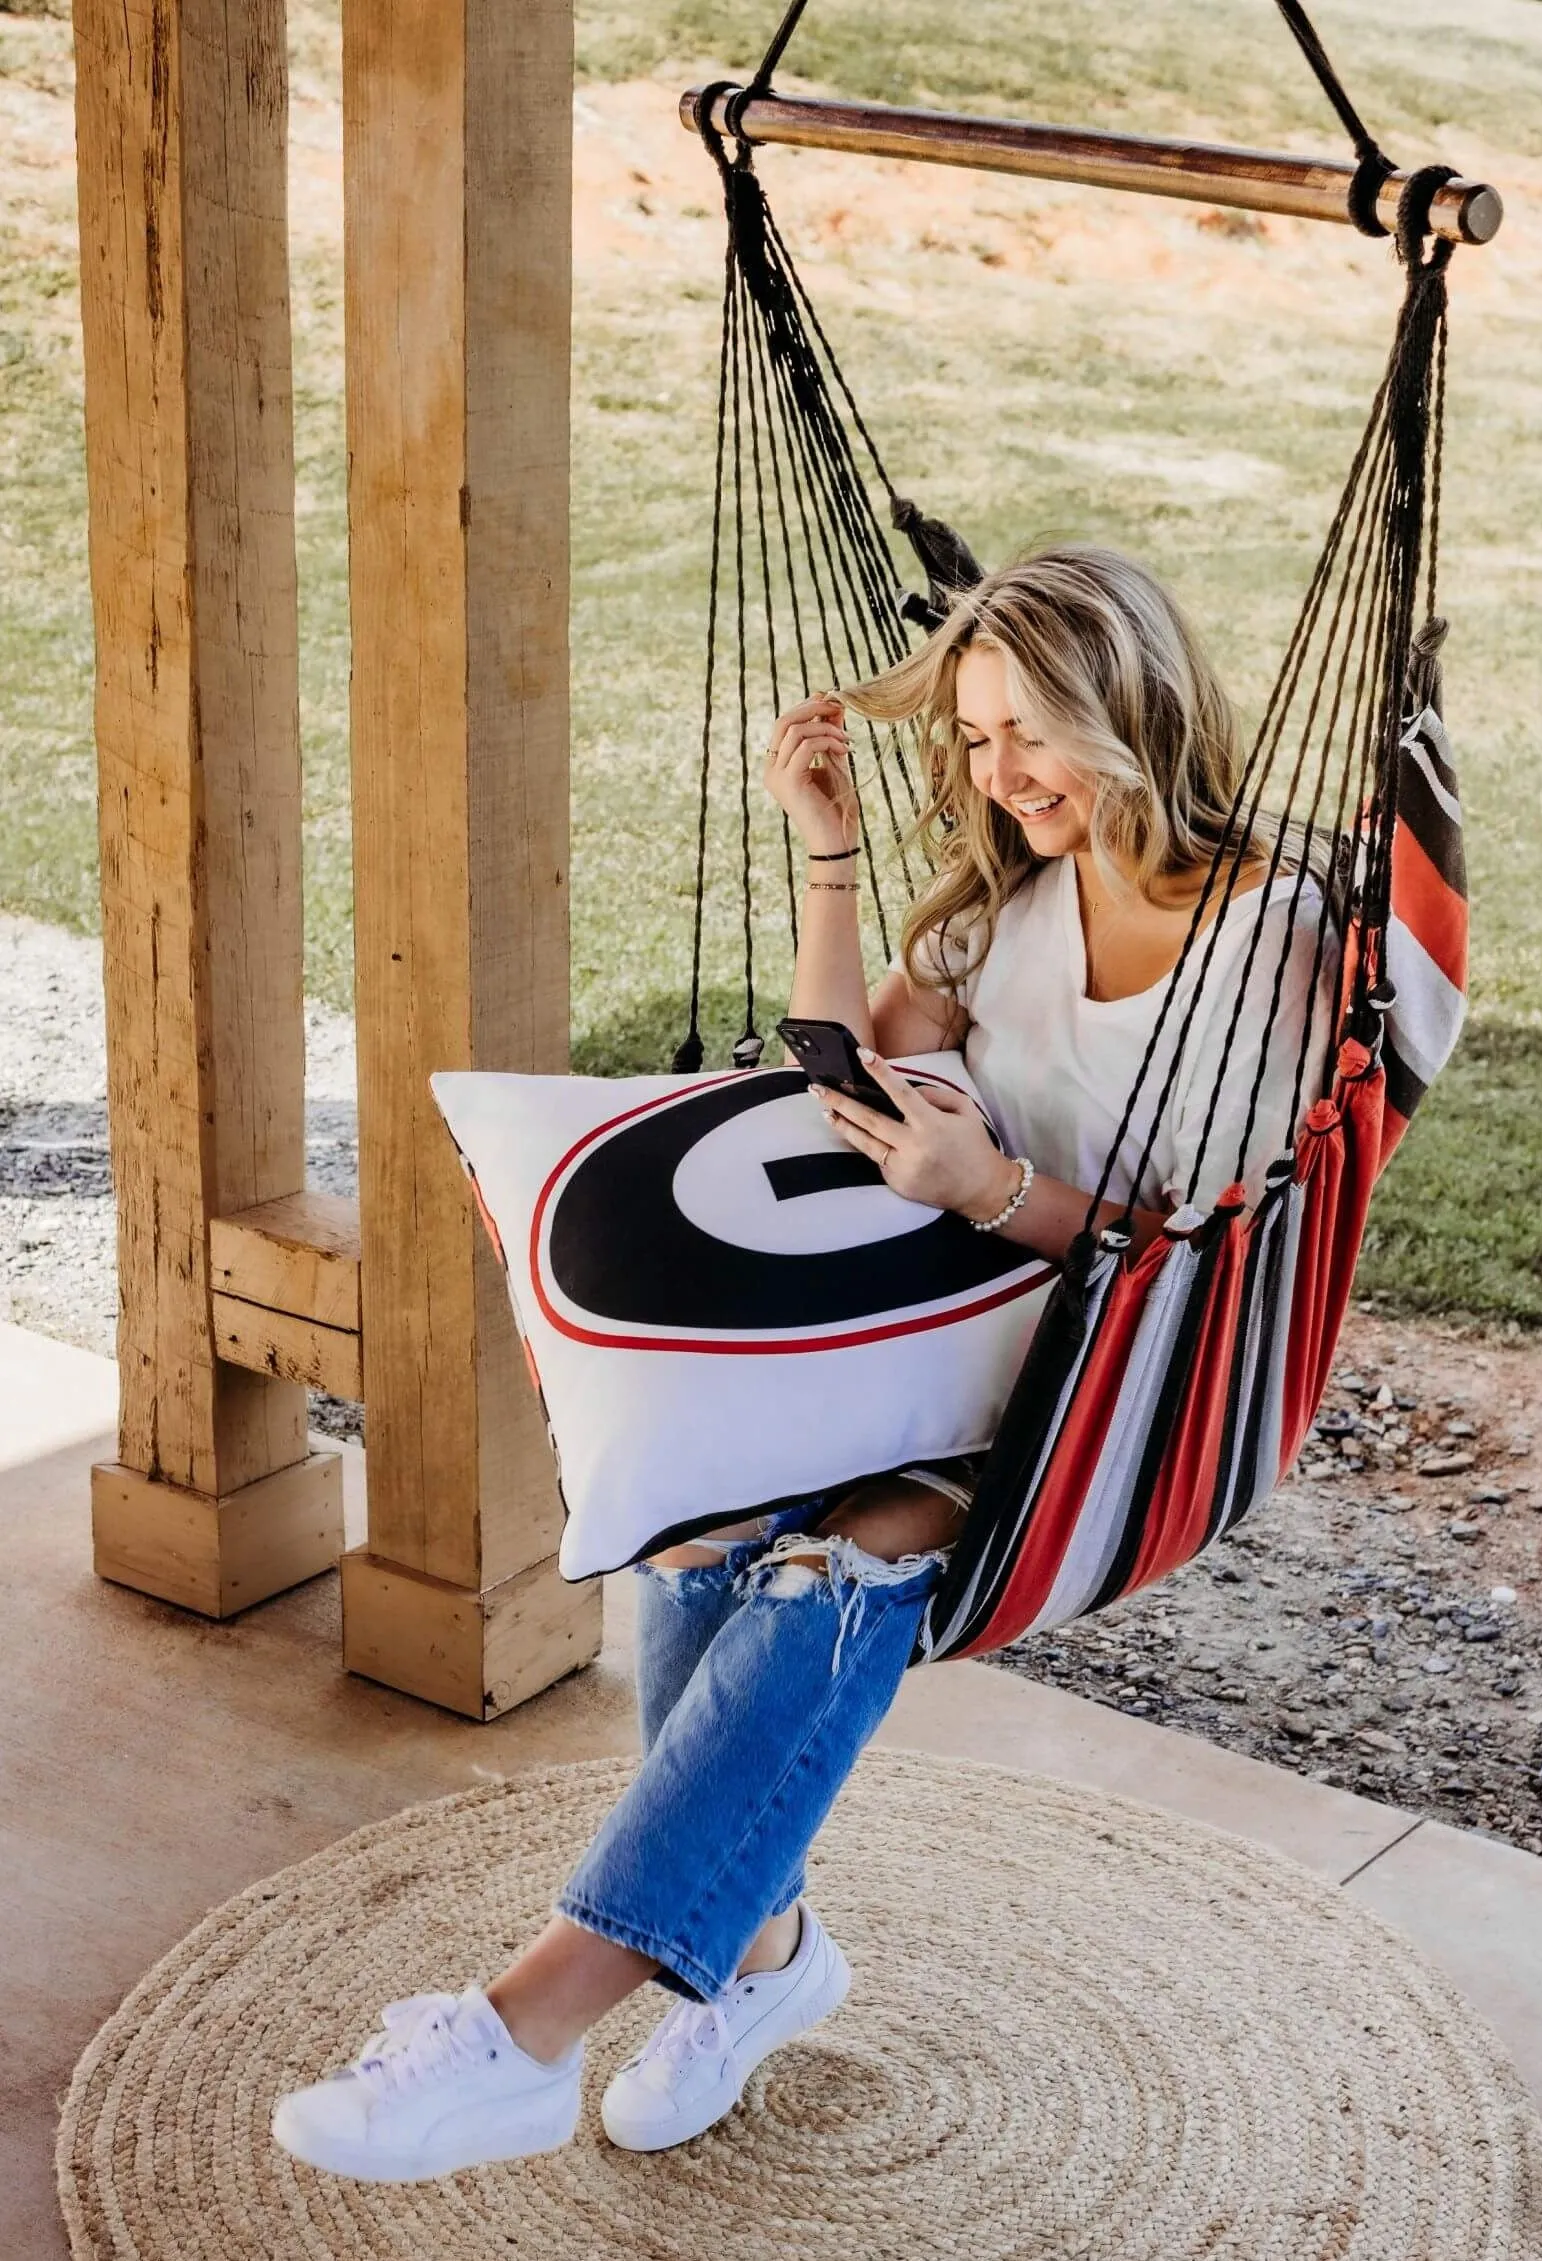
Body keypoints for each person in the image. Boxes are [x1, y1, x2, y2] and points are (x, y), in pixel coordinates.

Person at [271, 545, 1338, 2184]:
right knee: (712, 1510)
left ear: (1125, 706)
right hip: (937, 1321)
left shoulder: (1275, 939)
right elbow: (845, 1060)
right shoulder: (1020, 900)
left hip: (1120, 1380)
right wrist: (831, 854)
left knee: (854, 1545)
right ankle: (761, 1959)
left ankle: (520, 2032)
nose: (1001, 776)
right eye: (973, 742)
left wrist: (993, 1192)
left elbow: (1234, 1247)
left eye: (1026, 734)